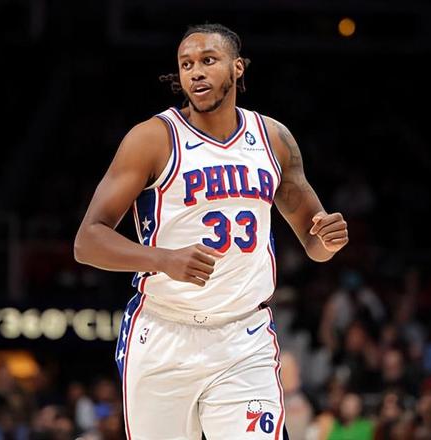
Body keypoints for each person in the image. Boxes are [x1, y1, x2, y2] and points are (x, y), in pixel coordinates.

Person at [74, 23, 349, 440]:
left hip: (244, 338)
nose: (196, 72)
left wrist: (328, 240)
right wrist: (163, 260)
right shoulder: (153, 139)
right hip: (165, 333)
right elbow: (87, 240)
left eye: (208, 60)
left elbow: (313, 242)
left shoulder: (273, 139)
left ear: (237, 68)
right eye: (186, 64)